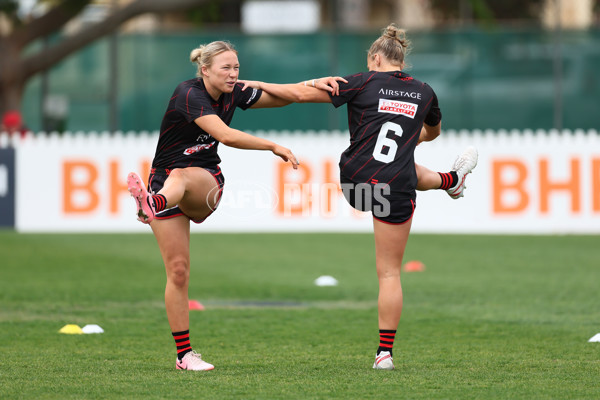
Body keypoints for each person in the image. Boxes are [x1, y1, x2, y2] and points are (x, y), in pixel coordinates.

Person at [239, 24, 478, 370]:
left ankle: (452, 180)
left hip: (356, 183)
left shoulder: (360, 82)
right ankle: (384, 355)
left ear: (375, 58)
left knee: (401, 164)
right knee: (390, 273)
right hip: (395, 188)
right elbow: (433, 132)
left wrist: (261, 85)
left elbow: (298, 95)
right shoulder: (425, 92)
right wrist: (408, 131)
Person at [126, 40, 313, 371]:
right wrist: (272, 146)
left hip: (205, 185)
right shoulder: (189, 93)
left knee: (183, 175)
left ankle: (150, 204)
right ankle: (184, 355)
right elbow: (225, 135)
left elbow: (285, 98)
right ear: (205, 70)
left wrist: (327, 89)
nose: (233, 74)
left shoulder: (234, 92)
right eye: (226, 68)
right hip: (164, 183)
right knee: (178, 271)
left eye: (237, 68)